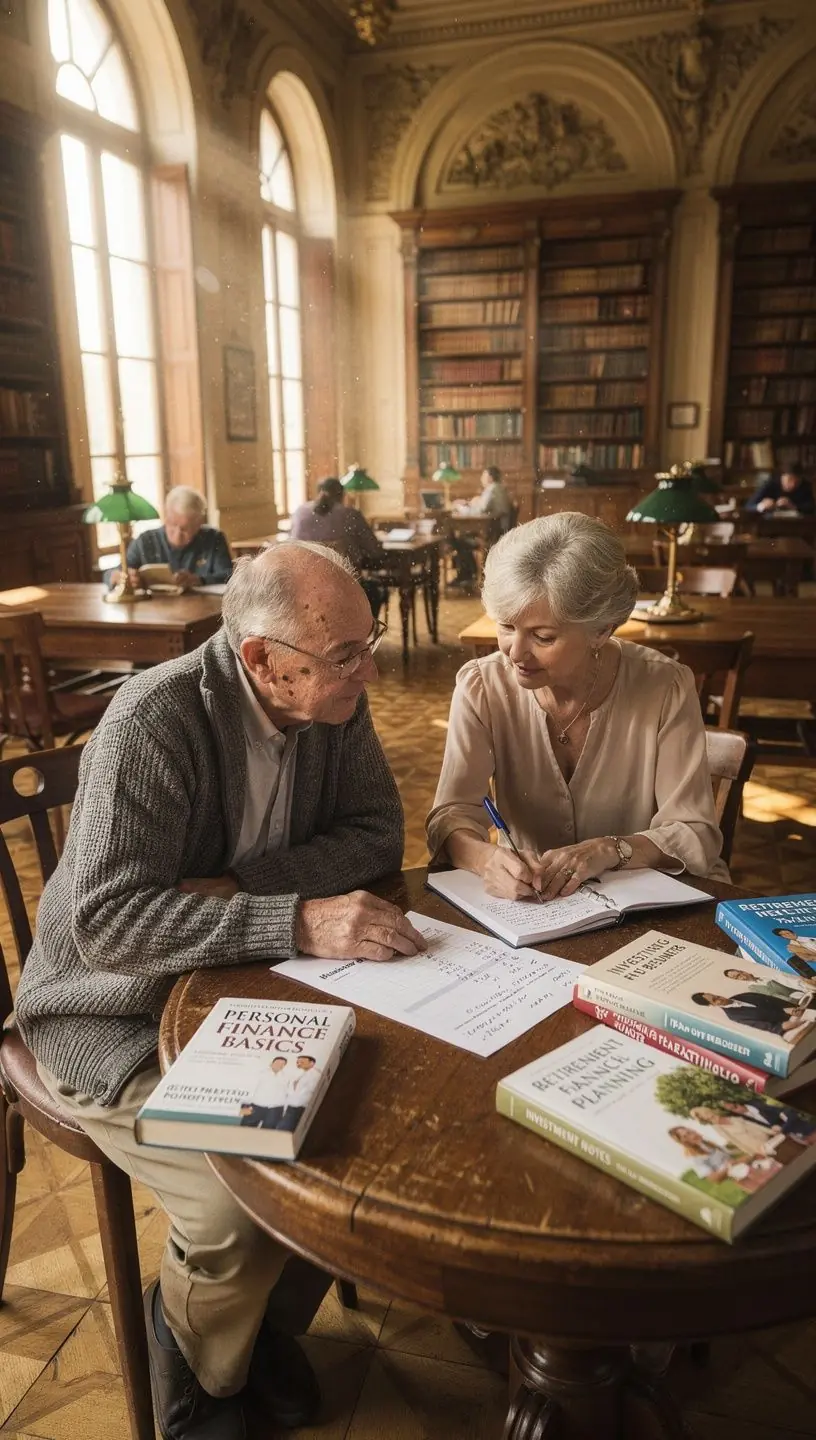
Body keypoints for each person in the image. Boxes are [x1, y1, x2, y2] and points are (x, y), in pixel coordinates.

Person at [15, 541, 425, 1440]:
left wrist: (245, 890)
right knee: (239, 1208)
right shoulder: (153, 721)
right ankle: (197, 1366)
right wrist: (294, 920)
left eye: (368, 643)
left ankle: (254, 1329)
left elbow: (376, 836)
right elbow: (109, 926)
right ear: (262, 660)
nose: (369, 670)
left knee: (343, 1150)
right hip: (110, 1012)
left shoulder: (331, 698)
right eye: (345, 655)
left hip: (244, 990)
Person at [427, 512, 725, 901]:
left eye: (543, 636)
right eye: (506, 627)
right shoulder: (481, 686)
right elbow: (451, 816)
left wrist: (610, 850)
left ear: (602, 630)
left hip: (648, 903)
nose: (515, 653)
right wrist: (487, 860)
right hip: (536, 907)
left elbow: (695, 834)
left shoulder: (665, 686)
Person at [289, 476, 387, 617]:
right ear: (341, 495)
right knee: (373, 591)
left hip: (304, 590)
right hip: (344, 590)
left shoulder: (299, 513)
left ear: (317, 492)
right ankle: (366, 630)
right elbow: (374, 550)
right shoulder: (351, 514)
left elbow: (291, 546)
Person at [108, 484, 233, 590]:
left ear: (198, 524)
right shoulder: (145, 541)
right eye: (173, 524)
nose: (177, 534)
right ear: (166, 517)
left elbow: (229, 576)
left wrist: (200, 580)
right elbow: (111, 573)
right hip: (155, 608)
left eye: (185, 529)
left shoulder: (214, 538)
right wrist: (119, 577)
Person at [448, 466, 514, 589]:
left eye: (484, 476)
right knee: (463, 538)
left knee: (459, 540)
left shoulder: (492, 488)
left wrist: (463, 508)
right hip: (499, 531)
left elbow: (481, 510)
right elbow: (484, 507)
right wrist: (474, 502)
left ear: (490, 477)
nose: (482, 479)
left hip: (493, 534)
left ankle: (467, 574)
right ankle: (468, 573)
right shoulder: (499, 488)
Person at [692, 989, 813, 1037]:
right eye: (715, 1000)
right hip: (791, 1024)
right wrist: (789, 1024)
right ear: (712, 1005)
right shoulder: (735, 1017)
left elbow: (771, 999)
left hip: (798, 1010)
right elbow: (767, 1027)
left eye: (717, 995)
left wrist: (788, 1007)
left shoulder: (743, 995)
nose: (720, 998)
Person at [723, 967, 816, 1007]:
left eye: (739, 974)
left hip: (807, 992)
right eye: (737, 978)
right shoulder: (753, 989)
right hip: (800, 1002)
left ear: (743, 971)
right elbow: (774, 996)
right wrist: (798, 1001)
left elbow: (789, 982)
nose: (742, 977)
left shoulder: (766, 976)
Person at [240, 1056, 289, 1129]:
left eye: (282, 1064)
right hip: (256, 1106)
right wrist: (245, 1105)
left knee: (268, 1131)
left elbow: (287, 1094)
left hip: (275, 1109)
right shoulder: (260, 1074)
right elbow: (250, 1089)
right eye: (277, 1063)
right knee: (246, 1129)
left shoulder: (286, 1077)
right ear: (271, 1063)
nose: (279, 1065)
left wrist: (284, 1110)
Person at [745, 465, 815, 515]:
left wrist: (793, 507)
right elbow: (748, 506)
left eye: (797, 482)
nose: (793, 485)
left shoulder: (805, 486)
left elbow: (811, 508)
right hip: (770, 524)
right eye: (789, 480)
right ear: (782, 477)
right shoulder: (770, 484)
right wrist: (762, 506)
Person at [276, 1054, 321, 1132]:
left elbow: (312, 1091)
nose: (299, 1064)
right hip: (293, 1108)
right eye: (298, 1062)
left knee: (283, 1130)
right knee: (284, 1130)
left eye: (302, 1062)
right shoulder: (303, 1073)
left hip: (299, 1108)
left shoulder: (315, 1074)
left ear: (311, 1063)